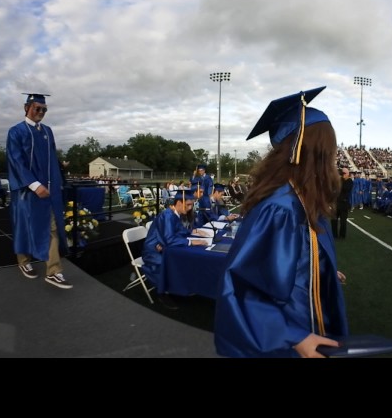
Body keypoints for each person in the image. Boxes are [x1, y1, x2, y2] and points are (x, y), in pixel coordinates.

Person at [214, 86, 348, 358]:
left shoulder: (301, 198)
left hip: (305, 325)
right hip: (286, 340)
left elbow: (289, 262)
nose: (334, 156)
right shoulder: (281, 207)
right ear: (312, 152)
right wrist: (294, 337)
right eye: (329, 149)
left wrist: (320, 271)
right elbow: (244, 286)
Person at [6, 93, 72, 289]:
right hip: (27, 191)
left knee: (51, 228)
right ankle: (24, 261)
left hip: (47, 190)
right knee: (24, 226)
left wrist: (58, 177)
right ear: (26, 107)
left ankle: (53, 271)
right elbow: (15, 161)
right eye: (37, 108)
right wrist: (34, 184)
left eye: (44, 109)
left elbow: (50, 159)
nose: (41, 112)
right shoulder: (15, 132)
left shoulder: (48, 131)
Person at [141, 190, 211, 297]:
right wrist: (191, 241)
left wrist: (194, 231)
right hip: (153, 250)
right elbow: (169, 239)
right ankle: (164, 292)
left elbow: (180, 230)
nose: (190, 208)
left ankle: (183, 285)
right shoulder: (167, 215)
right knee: (173, 259)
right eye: (188, 205)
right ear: (179, 203)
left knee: (184, 255)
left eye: (191, 205)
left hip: (162, 246)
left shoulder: (175, 214)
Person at [331, 167, 353, 239]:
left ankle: (342, 235)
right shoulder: (339, 180)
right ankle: (334, 234)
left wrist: (341, 180)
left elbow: (345, 188)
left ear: (347, 174)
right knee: (333, 220)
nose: (342, 175)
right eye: (342, 173)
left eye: (344, 173)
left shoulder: (350, 181)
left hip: (344, 204)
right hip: (336, 203)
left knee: (343, 221)